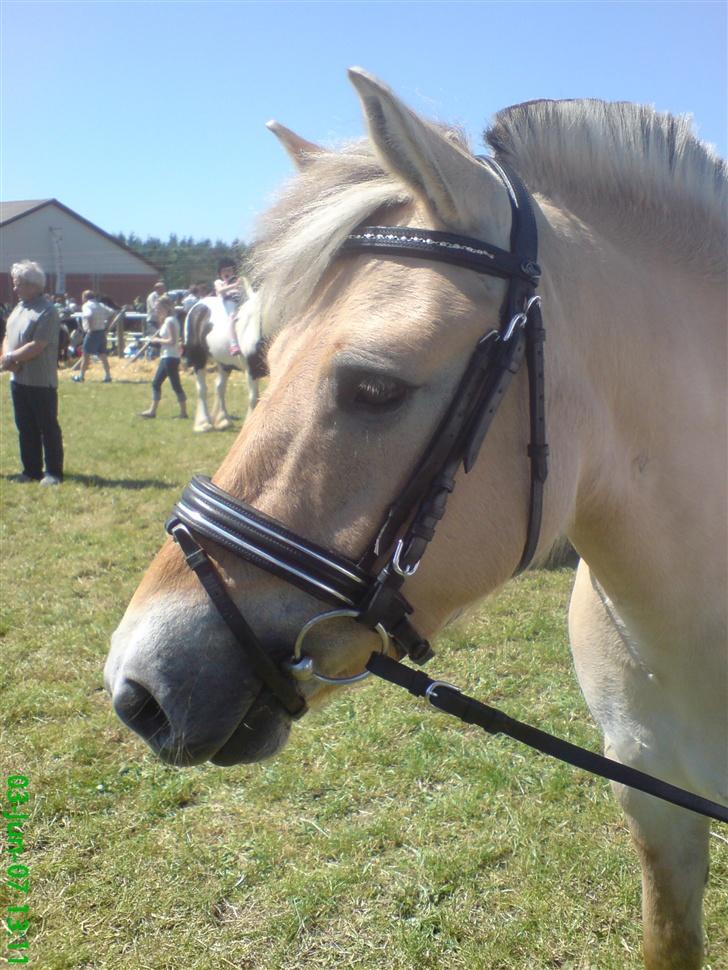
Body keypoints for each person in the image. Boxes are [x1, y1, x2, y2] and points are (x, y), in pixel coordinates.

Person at [1, 260, 64, 484]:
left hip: (40, 381)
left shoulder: (47, 311)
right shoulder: (19, 308)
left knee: (47, 427)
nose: (15, 288)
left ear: (32, 285)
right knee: (25, 426)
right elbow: (8, 335)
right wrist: (8, 358)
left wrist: (11, 358)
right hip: (18, 378)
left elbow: (39, 344)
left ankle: (53, 472)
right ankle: (31, 470)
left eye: (18, 284)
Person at [139, 295, 188, 419]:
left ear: (165, 307)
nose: (156, 310)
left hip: (170, 357)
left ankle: (183, 413)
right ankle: (152, 410)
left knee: (174, 384)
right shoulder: (170, 320)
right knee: (157, 383)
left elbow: (172, 341)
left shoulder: (170, 321)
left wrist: (156, 339)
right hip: (168, 356)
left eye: (158, 308)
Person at [71, 290, 112, 382]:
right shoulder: (100, 305)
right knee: (103, 355)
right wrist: (107, 328)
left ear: (85, 297)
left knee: (85, 355)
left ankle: (81, 376)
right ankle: (108, 376)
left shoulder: (86, 306)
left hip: (92, 333)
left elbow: (89, 315)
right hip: (101, 332)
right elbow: (112, 313)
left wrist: (89, 328)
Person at [214, 259, 241, 356]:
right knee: (232, 318)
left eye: (229, 270)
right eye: (224, 271)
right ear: (220, 273)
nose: (227, 273)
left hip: (239, 303)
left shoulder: (236, 280)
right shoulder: (219, 282)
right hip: (227, 304)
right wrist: (235, 285)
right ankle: (233, 344)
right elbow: (221, 291)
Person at [145, 280, 165, 358]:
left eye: (164, 288)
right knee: (154, 339)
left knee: (161, 339)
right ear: (157, 289)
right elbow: (155, 308)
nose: (164, 290)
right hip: (153, 321)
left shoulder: (164, 296)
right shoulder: (152, 296)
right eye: (162, 288)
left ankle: (159, 356)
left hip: (162, 321)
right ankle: (151, 357)